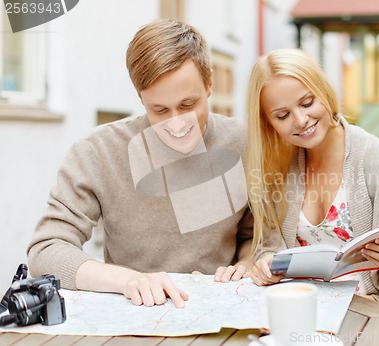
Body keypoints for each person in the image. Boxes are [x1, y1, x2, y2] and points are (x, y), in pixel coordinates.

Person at [27, 19, 253, 308]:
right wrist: (127, 280)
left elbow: (255, 234)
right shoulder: (97, 152)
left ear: (209, 85)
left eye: (188, 105)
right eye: (159, 109)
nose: (177, 124)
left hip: (221, 311)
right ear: (141, 99)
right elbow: (46, 250)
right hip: (135, 315)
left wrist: (247, 261)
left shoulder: (244, 143)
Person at [245, 49, 379, 345]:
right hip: (308, 315)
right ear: (269, 123)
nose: (301, 120)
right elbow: (268, 246)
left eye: (307, 102)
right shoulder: (279, 168)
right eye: (282, 115)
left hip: (372, 315)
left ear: (325, 92)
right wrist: (265, 262)